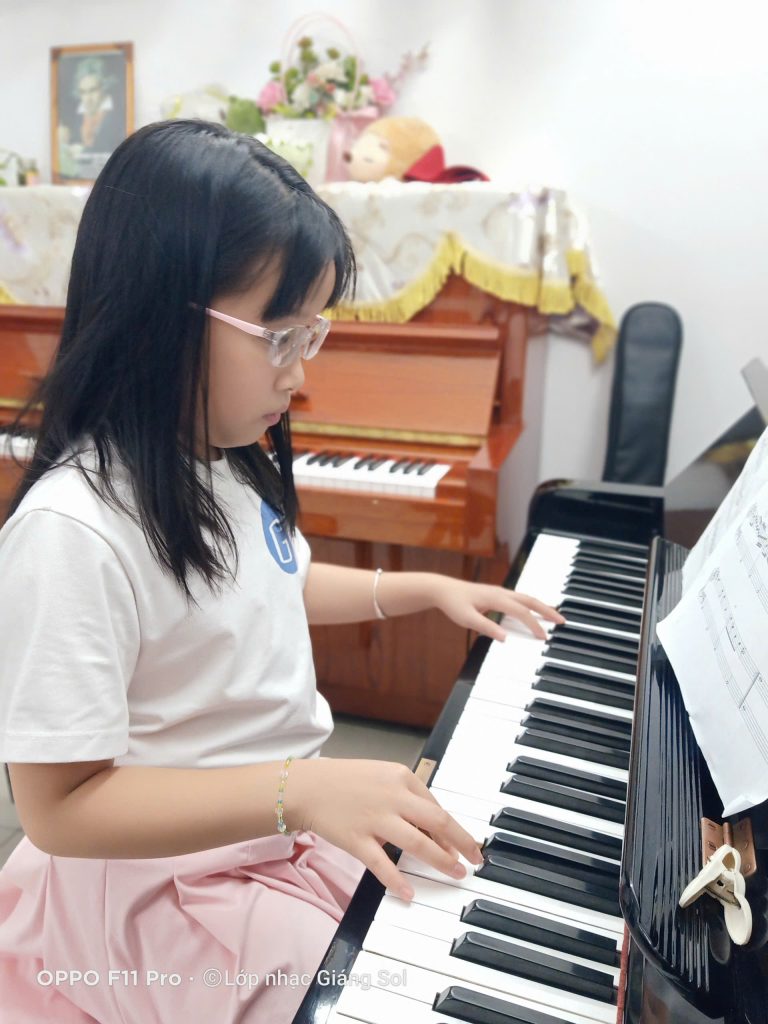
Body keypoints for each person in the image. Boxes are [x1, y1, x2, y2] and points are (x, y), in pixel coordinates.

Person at [0, 120, 563, 1024]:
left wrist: (423, 590)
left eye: (314, 334)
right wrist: (297, 790)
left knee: (453, 895)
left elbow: (275, 584)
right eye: (280, 336)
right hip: (158, 879)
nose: (300, 375)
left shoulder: (219, 460)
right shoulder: (73, 531)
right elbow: (58, 809)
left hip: (266, 824)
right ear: (160, 313)